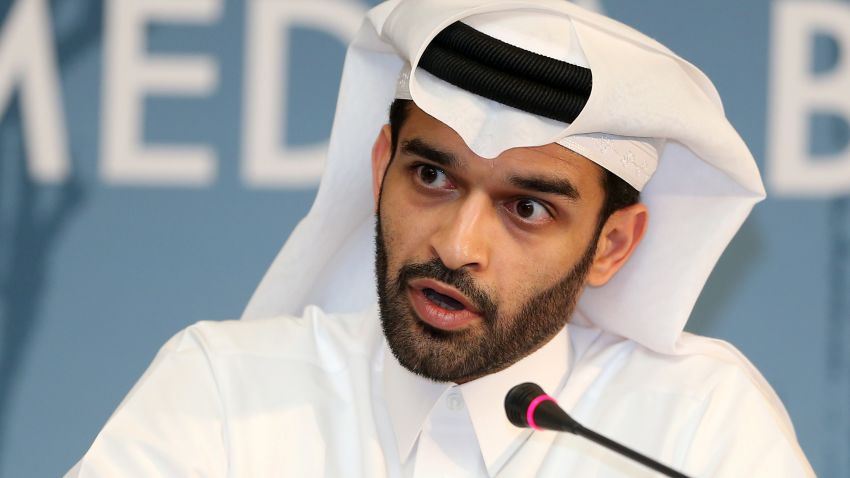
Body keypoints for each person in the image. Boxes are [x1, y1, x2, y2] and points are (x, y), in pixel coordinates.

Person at [68, 1, 815, 476]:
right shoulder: (225, 391)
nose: (458, 245)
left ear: (614, 245)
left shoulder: (695, 428)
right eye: (432, 177)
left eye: (527, 209)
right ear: (380, 167)